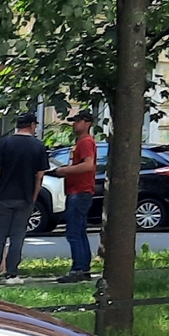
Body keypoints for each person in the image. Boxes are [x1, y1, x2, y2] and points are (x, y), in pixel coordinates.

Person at [0, 111, 51, 283]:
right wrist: (34, 196)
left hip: (3, 195)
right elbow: (39, 175)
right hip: (25, 196)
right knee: (17, 236)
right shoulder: (38, 146)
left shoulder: (4, 143)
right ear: (32, 125)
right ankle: (12, 273)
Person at [55, 108, 100, 281]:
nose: (74, 124)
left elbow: (89, 165)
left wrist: (64, 171)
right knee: (79, 231)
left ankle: (78, 269)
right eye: (74, 120)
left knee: (74, 232)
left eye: (78, 121)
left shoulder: (86, 142)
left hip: (79, 191)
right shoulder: (81, 142)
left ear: (87, 123)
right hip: (78, 191)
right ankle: (83, 268)